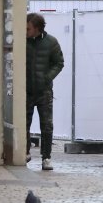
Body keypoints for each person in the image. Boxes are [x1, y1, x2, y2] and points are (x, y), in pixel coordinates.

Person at [26, 13, 65, 171]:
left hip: (44, 91)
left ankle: (46, 157)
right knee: (24, 123)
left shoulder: (51, 42)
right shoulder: (21, 41)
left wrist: (46, 78)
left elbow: (59, 63)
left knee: (47, 125)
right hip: (26, 90)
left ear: (37, 28)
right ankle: (24, 152)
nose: (25, 31)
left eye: (28, 28)